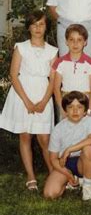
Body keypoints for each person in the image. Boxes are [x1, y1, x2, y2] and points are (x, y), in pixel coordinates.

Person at [0, 10, 57, 191]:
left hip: (42, 94)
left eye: (41, 24)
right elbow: (13, 75)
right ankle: (31, 177)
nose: (37, 28)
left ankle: (54, 173)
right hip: (22, 94)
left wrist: (44, 101)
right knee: (25, 135)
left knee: (44, 139)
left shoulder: (52, 51)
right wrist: (26, 102)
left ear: (46, 26)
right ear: (28, 27)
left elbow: (53, 79)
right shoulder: (21, 47)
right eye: (34, 24)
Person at [43, 91, 91, 201]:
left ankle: (87, 186)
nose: (75, 111)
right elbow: (53, 159)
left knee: (89, 149)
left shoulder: (89, 121)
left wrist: (69, 150)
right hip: (64, 164)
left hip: (82, 162)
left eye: (79, 107)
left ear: (85, 111)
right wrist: (68, 175)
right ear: (65, 110)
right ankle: (70, 181)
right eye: (70, 107)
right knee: (49, 194)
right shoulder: (58, 128)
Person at [52, 24, 91, 119]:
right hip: (67, 106)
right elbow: (56, 88)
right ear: (66, 42)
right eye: (72, 40)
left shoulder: (90, 63)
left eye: (79, 40)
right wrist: (62, 108)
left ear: (85, 42)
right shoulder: (60, 62)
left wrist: (89, 110)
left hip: (84, 106)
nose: (75, 43)